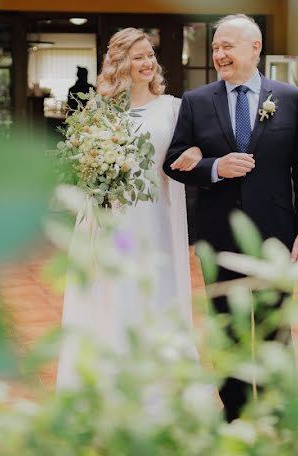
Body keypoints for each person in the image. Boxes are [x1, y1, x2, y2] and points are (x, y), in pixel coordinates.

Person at [163, 14, 298, 420]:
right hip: (218, 237)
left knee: (275, 328)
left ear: (255, 48)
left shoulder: (290, 97)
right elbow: (172, 163)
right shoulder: (196, 102)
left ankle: (274, 409)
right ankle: (234, 412)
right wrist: (215, 168)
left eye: (227, 46)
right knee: (229, 331)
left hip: (276, 235)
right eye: (215, 47)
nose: (219, 54)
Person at [56, 28, 203, 390]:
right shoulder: (100, 111)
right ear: (121, 64)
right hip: (110, 219)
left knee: (156, 287)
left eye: (150, 55)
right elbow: (82, 165)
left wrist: (197, 153)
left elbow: (191, 150)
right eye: (139, 57)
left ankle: (161, 380)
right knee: (112, 291)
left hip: (158, 217)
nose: (148, 63)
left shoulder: (173, 108)